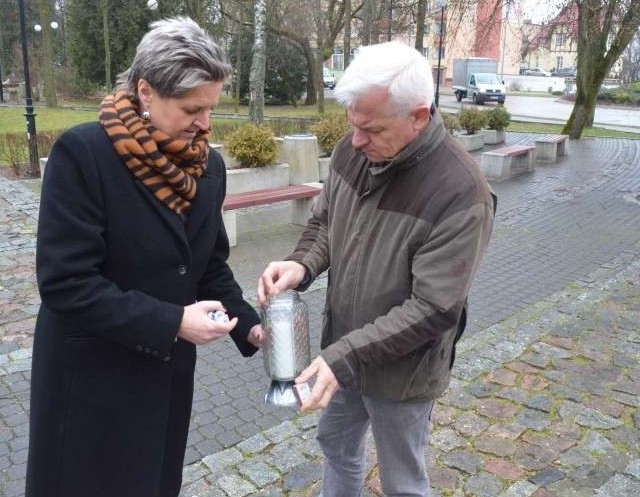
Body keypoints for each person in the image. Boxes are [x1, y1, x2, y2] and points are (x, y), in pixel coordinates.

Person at [25, 17, 263, 497]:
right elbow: (66, 283)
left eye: (211, 108)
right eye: (192, 108)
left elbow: (208, 263)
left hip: (164, 378)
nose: (205, 124)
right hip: (91, 381)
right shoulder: (84, 154)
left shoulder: (207, 165)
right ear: (146, 91)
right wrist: (173, 321)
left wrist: (251, 323)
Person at [258, 41, 496, 497]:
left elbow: (435, 308)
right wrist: (298, 264)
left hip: (402, 372)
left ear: (419, 117)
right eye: (354, 126)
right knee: (336, 446)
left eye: (372, 129)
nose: (357, 140)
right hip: (342, 353)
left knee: (402, 479)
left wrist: (345, 356)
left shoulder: (461, 193)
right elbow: (326, 222)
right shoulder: (355, 150)